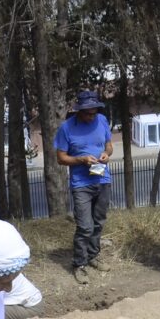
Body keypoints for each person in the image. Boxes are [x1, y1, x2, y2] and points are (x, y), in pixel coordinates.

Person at [54, 90, 115, 284]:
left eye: (94, 112)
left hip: (102, 179)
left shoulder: (102, 120)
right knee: (85, 226)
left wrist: (106, 153)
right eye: (88, 112)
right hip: (81, 184)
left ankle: (93, 255)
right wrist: (80, 159)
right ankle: (79, 264)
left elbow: (109, 145)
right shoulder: (66, 128)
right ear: (79, 111)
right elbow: (61, 158)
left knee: (98, 222)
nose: (91, 116)